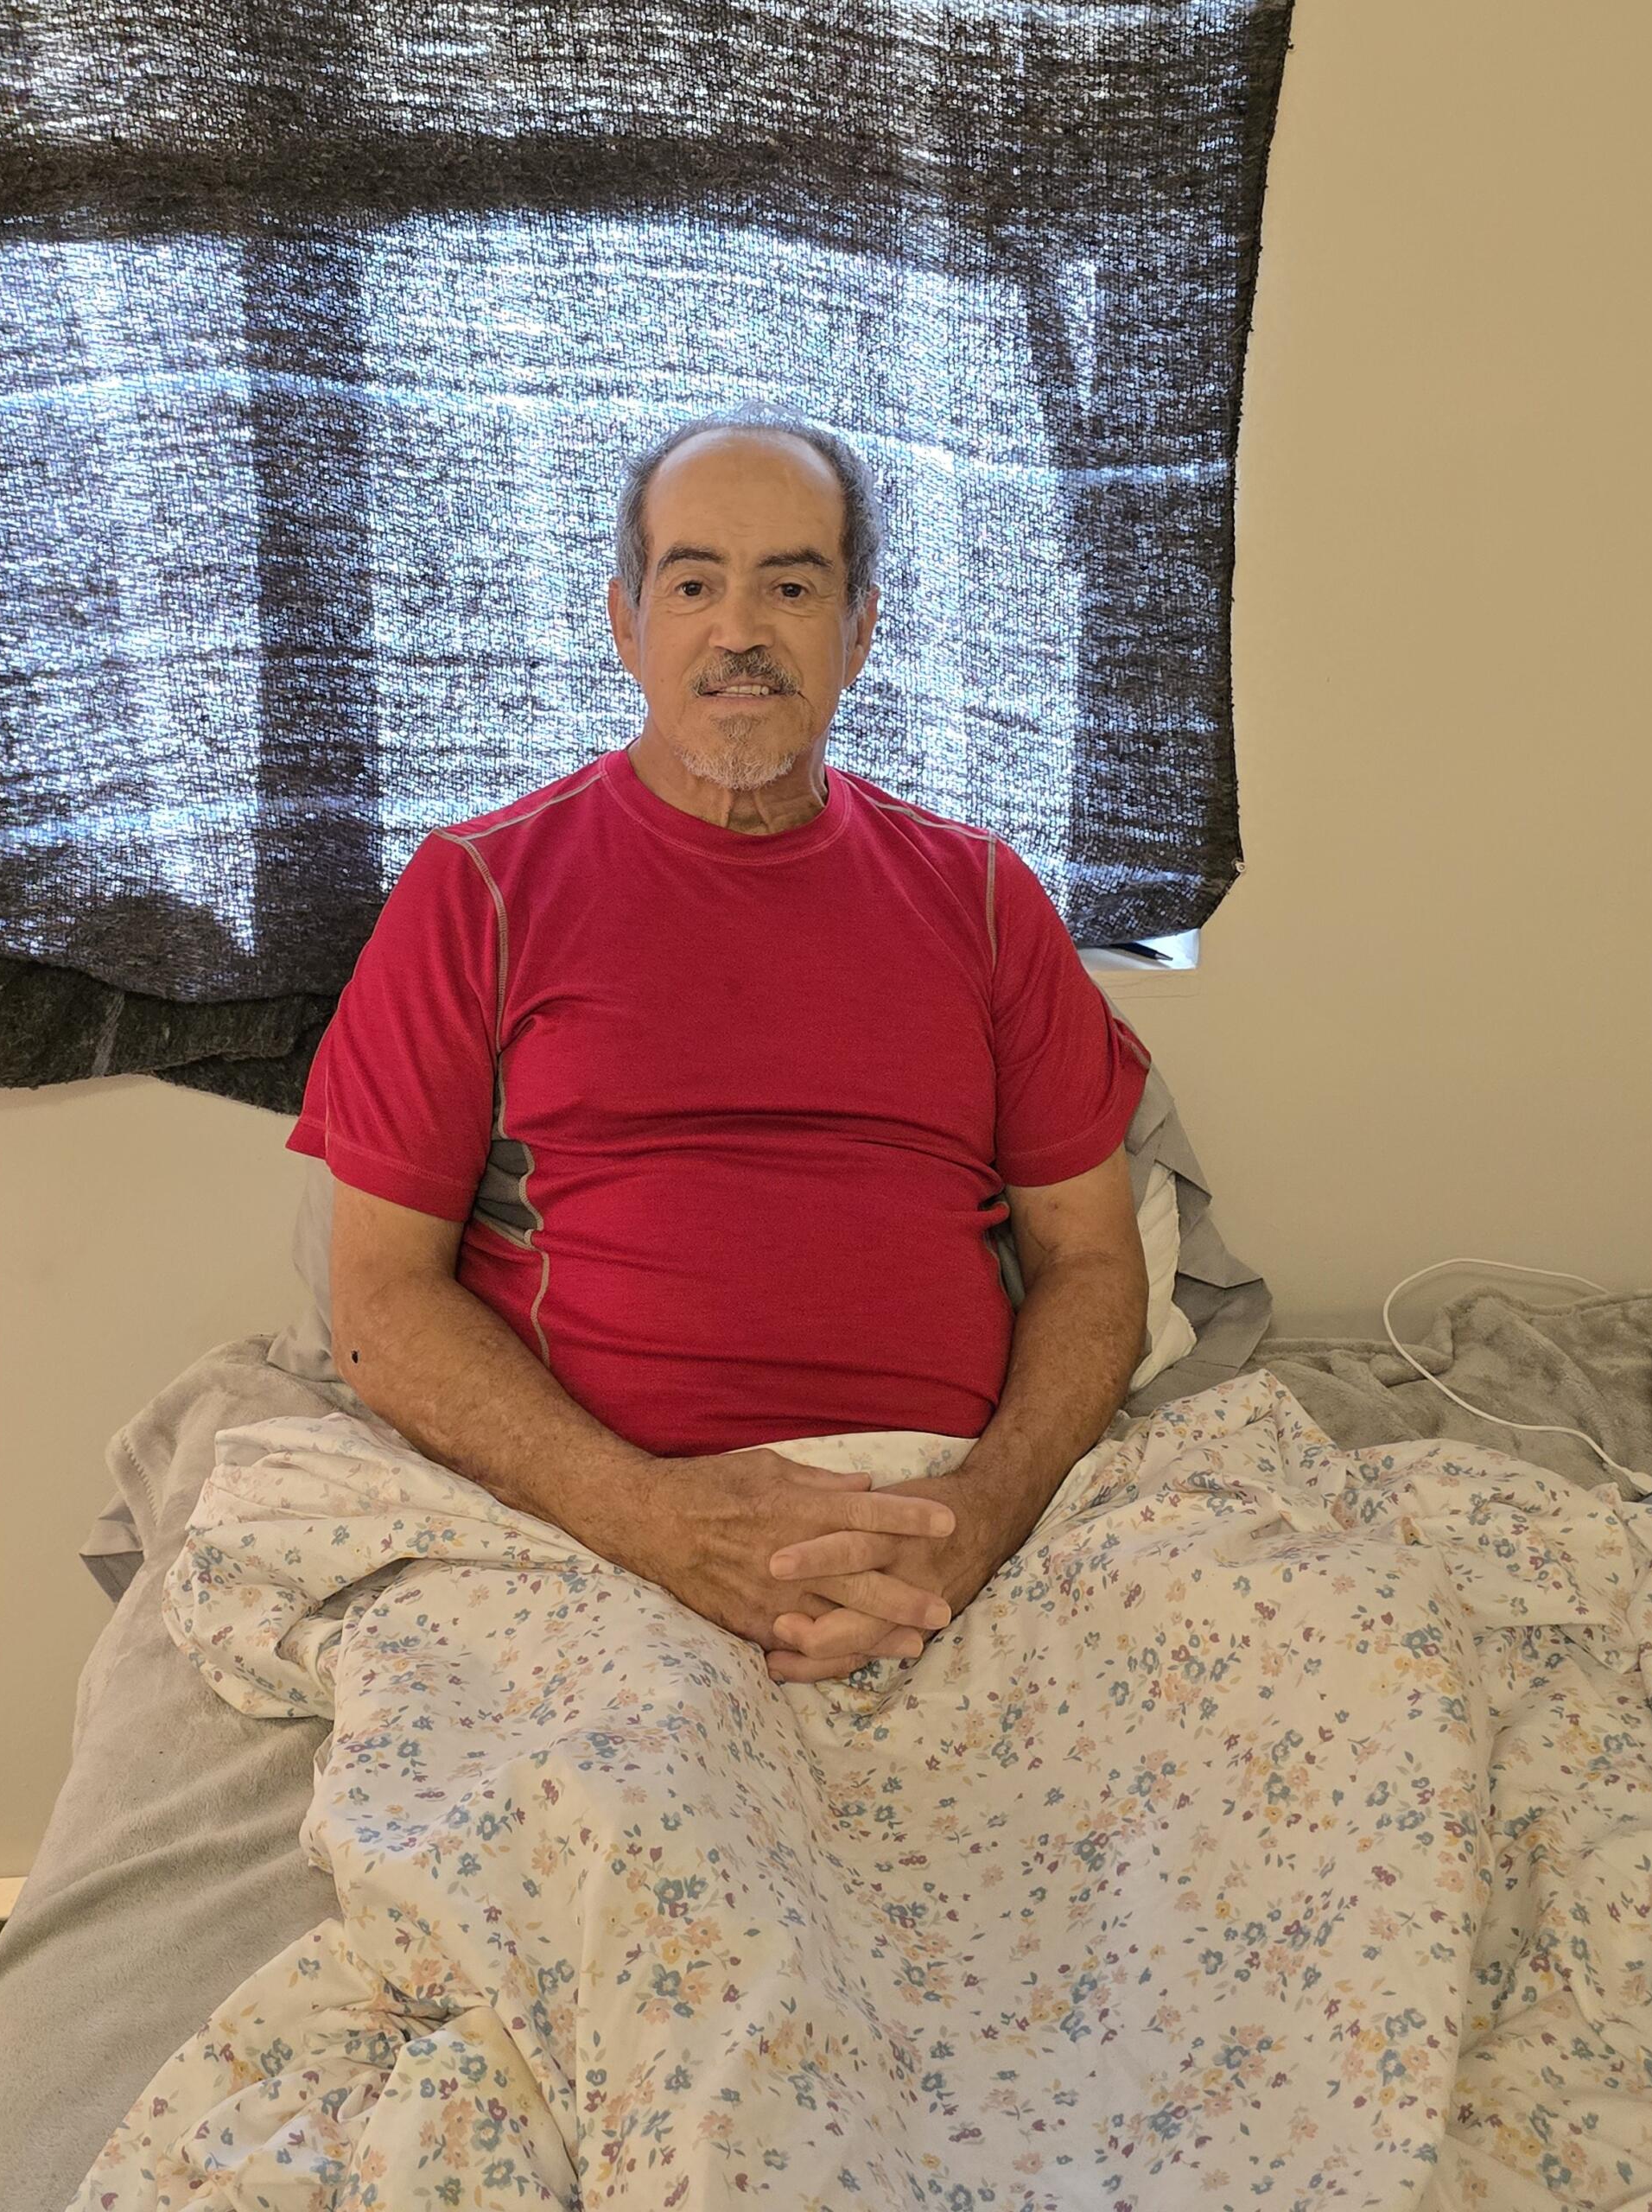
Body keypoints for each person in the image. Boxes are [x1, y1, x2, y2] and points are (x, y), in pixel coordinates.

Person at [287, 415, 1151, 1684]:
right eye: (693, 583)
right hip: (612, 1528)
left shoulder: (978, 895)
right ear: (625, 622)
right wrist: (652, 1521)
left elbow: (1087, 1259)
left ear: (858, 629)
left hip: (949, 1521)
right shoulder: (476, 889)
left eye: (790, 586)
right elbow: (375, 1298)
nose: (738, 630)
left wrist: (976, 1525)